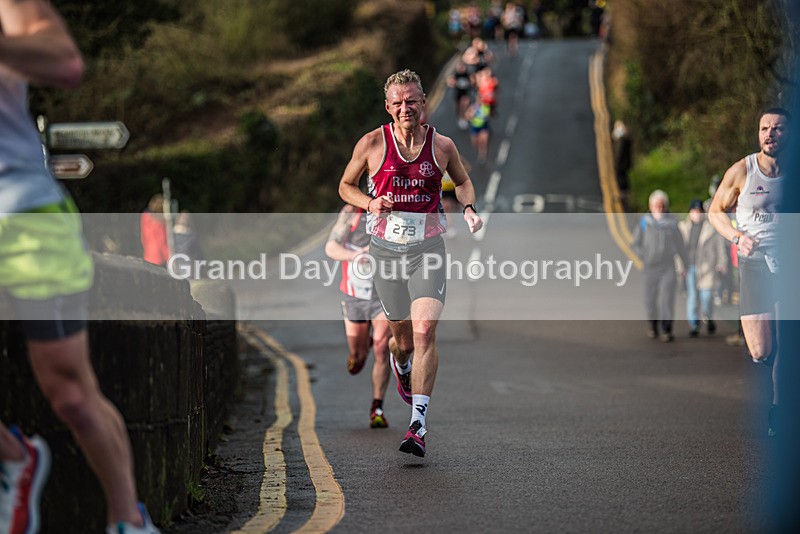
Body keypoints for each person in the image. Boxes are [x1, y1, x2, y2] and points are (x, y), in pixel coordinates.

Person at [0, 2, 159, 533]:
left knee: (69, 390)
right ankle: (13, 458)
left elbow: (64, 62)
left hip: (22, 215)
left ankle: (127, 521)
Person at [338, 69, 483, 457]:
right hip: (385, 253)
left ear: (423, 104)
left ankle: (418, 424)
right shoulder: (371, 144)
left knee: (424, 333)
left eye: (412, 101)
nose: (406, 108)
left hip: (428, 250)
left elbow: (463, 181)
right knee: (401, 341)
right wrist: (369, 202)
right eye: (398, 102)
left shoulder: (442, 146)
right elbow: (345, 186)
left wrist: (468, 208)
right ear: (389, 107)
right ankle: (402, 367)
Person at [709, 107, 789, 436]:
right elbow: (715, 212)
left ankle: (780, 413)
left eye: (778, 129)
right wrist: (737, 237)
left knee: (788, 340)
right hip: (753, 262)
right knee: (761, 349)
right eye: (764, 128)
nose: (769, 134)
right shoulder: (743, 170)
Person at [324, 205, 392, 429]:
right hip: (354, 296)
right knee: (358, 356)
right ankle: (360, 351)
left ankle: (377, 408)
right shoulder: (353, 212)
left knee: (382, 347)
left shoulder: (398, 211)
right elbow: (331, 248)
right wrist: (357, 255)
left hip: (383, 293)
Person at [631, 190, 688, 342]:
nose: (659, 208)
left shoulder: (672, 223)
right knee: (650, 300)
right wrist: (643, 256)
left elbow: (680, 245)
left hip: (667, 268)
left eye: (662, 205)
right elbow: (635, 244)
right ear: (650, 206)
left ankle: (666, 329)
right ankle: (653, 325)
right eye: (656, 205)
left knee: (667, 299)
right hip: (650, 268)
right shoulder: (644, 222)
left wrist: (685, 264)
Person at [679, 199, 727, 337]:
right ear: (689, 213)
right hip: (690, 267)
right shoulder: (683, 227)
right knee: (693, 297)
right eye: (694, 211)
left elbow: (720, 247)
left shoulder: (711, 227)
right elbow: (679, 249)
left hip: (707, 267)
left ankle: (708, 317)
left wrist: (722, 263)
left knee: (706, 297)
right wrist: (680, 267)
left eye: (699, 211)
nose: (697, 214)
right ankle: (694, 324)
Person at [140, 194, 170, 267]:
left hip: (148, 255)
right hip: (159, 258)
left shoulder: (145, 217)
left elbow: (143, 238)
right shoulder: (161, 223)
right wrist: (169, 256)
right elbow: (162, 242)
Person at [446, 61, 473, 131]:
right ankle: (461, 118)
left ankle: (465, 117)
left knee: (465, 104)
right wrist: (453, 83)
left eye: (463, 67)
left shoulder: (467, 74)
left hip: (466, 93)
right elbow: (450, 82)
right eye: (460, 68)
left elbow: (472, 82)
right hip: (458, 93)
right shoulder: (456, 75)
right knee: (458, 107)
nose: (461, 69)